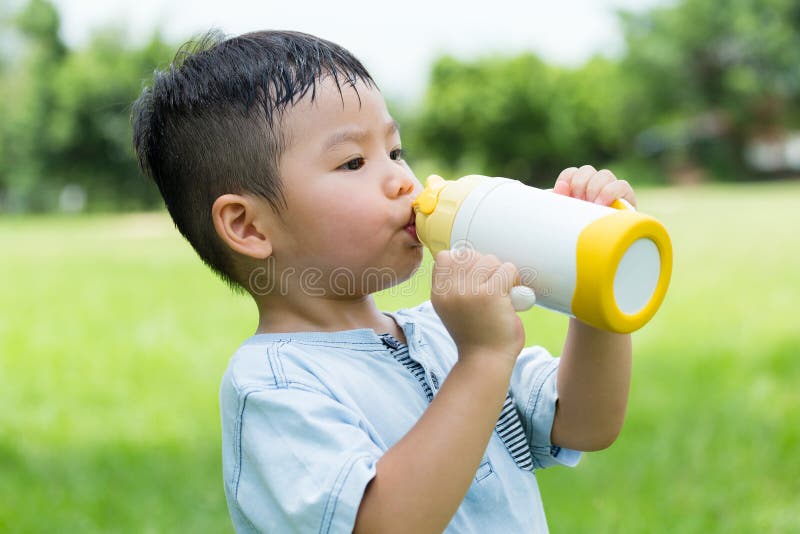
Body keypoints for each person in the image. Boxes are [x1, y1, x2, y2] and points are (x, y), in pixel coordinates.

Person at [132, 30, 635, 533]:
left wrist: (593, 278)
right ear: (248, 226)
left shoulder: (443, 333)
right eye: (353, 162)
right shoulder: (273, 387)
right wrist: (481, 360)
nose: (403, 181)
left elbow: (585, 423)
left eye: (395, 152)